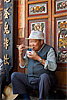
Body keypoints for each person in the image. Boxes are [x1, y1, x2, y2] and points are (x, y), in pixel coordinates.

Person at [11, 30, 57, 100]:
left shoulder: (49, 50)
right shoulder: (29, 50)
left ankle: (42, 98)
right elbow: (23, 65)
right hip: (31, 79)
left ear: (41, 42)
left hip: (44, 81)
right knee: (15, 76)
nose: (31, 44)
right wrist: (20, 53)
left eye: (34, 42)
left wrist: (38, 58)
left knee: (44, 76)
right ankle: (26, 97)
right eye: (30, 41)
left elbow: (53, 67)